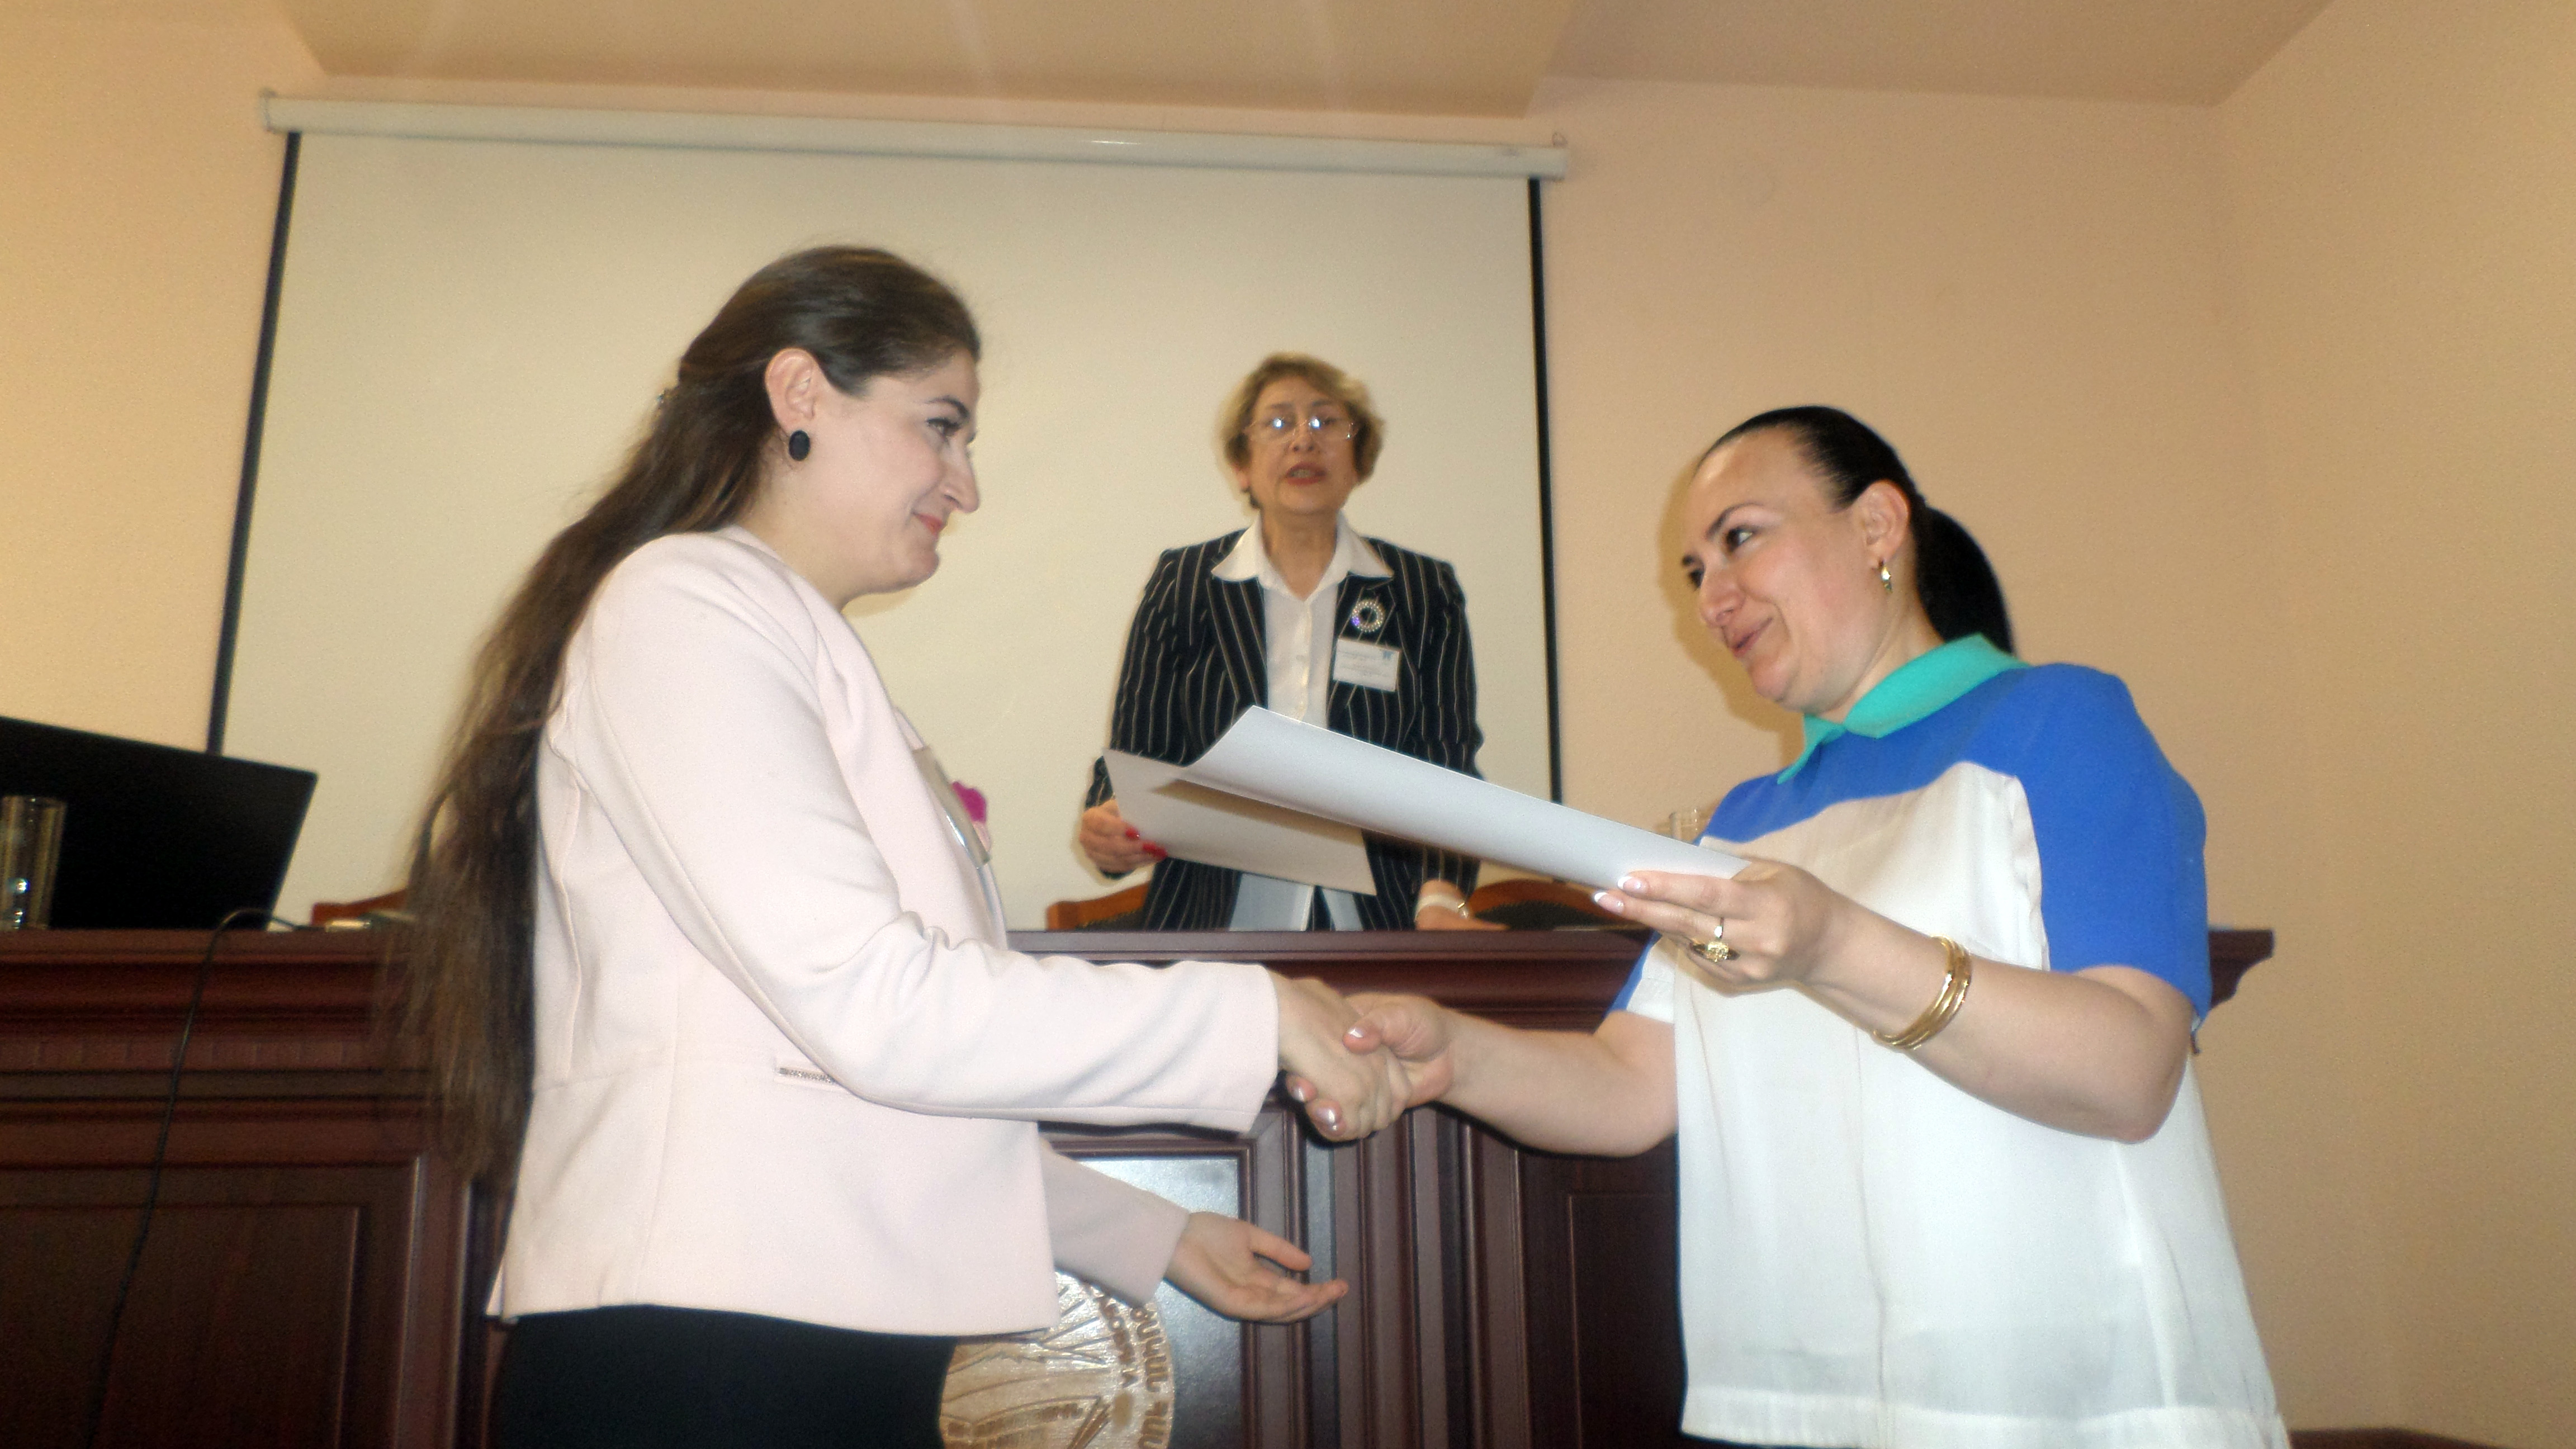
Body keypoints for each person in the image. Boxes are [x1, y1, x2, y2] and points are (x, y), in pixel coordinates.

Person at [394, 247, 1407, 1449]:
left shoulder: (786, 639)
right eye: (941, 425)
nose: (964, 483)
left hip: (802, 1336)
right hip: (704, 1355)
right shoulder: (682, 604)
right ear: (800, 394)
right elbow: (875, 1003)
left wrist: (1153, 1234)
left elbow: (871, 1084)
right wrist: (1255, 1013)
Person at [1342, 407, 2287, 1447]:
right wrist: (1451, 1054)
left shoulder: (2060, 722)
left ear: (1878, 525)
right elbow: (1627, 1087)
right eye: (1695, 570)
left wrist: (1834, 944)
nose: (1712, 597)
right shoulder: (1745, 824)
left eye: (1740, 539)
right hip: (1800, 1398)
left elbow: (2131, 1071)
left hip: (2066, 1391)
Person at [1077, 353, 1498, 931]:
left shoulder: (1423, 592)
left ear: (1358, 461)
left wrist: (1441, 897)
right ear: (1241, 466)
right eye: (1278, 423)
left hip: (1383, 923)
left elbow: (1446, 764)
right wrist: (1109, 822)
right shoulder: (1186, 583)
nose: (1304, 440)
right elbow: (1136, 754)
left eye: (1327, 422)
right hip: (1213, 926)